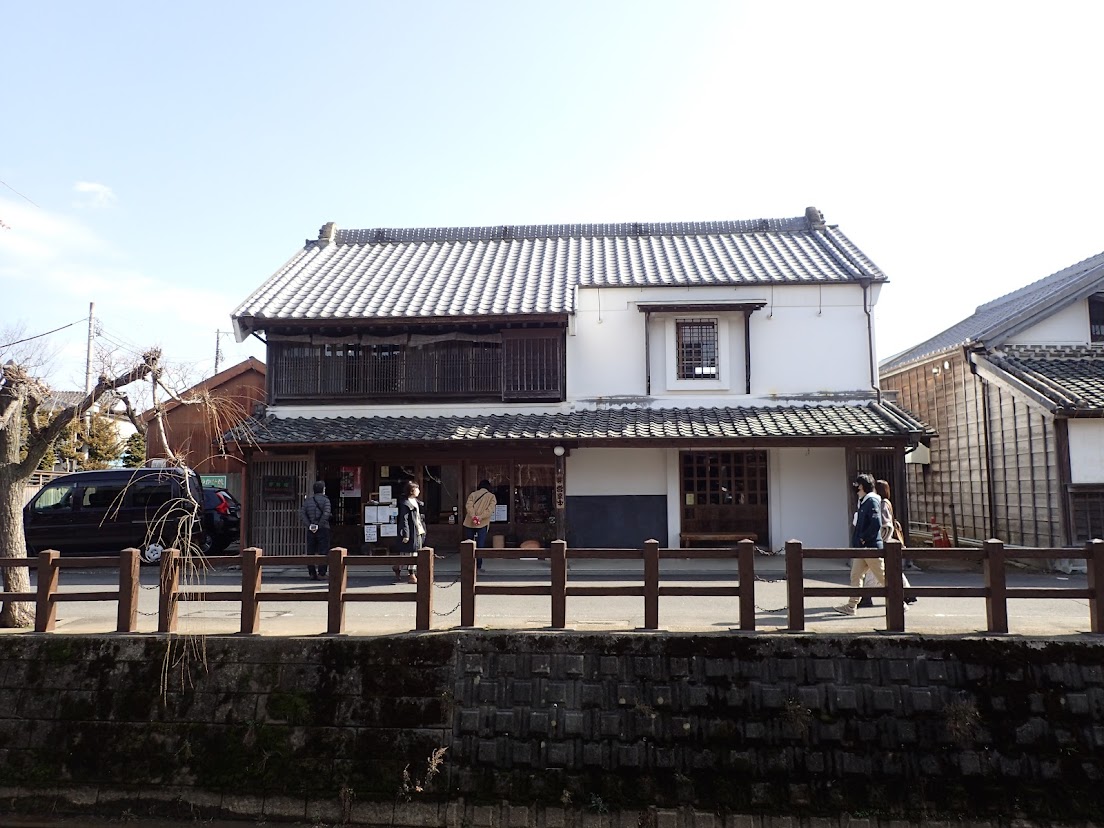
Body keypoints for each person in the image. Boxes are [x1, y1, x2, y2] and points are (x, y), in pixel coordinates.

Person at [835, 473, 886, 615]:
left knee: (883, 577)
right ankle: (851, 606)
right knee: (856, 575)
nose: (855, 488)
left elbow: (876, 523)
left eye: (857, 485)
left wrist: (864, 538)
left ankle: (899, 603)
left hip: (870, 547)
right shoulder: (864, 501)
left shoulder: (871, 501)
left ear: (862, 486)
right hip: (863, 548)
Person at [876, 478, 916, 605]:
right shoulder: (887, 502)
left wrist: (882, 539)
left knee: (886, 569)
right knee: (892, 568)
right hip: (889, 541)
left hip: (886, 542)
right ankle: (908, 593)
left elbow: (886, 525)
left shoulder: (883, 504)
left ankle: (907, 593)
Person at [299, 481, 331, 581]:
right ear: (323, 489)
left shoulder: (308, 501)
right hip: (323, 528)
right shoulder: (326, 501)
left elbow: (302, 514)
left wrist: (310, 525)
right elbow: (326, 514)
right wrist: (319, 525)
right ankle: (322, 573)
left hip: (311, 529)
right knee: (323, 551)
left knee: (310, 551)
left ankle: (312, 573)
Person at [395, 480, 425, 584]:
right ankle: (411, 574)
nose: (419, 491)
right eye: (417, 489)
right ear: (411, 491)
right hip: (411, 530)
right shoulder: (405, 503)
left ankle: (400, 568)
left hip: (418, 529)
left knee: (415, 552)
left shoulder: (416, 502)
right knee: (410, 552)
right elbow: (404, 519)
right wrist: (406, 534)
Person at [463, 479, 497, 570]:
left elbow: (468, 506)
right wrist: (480, 517)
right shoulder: (492, 497)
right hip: (482, 523)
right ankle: (478, 566)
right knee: (480, 545)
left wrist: (473, 516)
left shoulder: (473, 494)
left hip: (469, 523)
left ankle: (468, 566)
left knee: (468, 545)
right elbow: (490, 510)